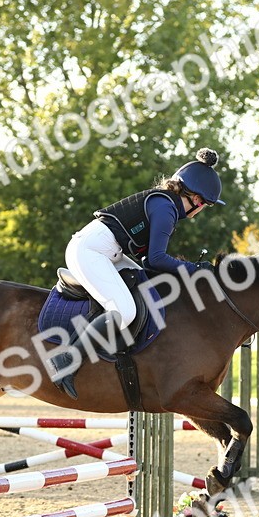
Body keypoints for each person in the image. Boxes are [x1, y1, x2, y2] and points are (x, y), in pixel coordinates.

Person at [50, 147, 224, 398]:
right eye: (204, 206)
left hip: (109, 251)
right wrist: (196, 269)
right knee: (124, 310)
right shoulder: (166, 209)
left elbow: (149, 263)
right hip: (90, 250)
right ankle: (67, 361)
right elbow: (155, 259)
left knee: (148, 288)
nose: (199, 213)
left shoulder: (166, 204)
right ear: (196, 200)